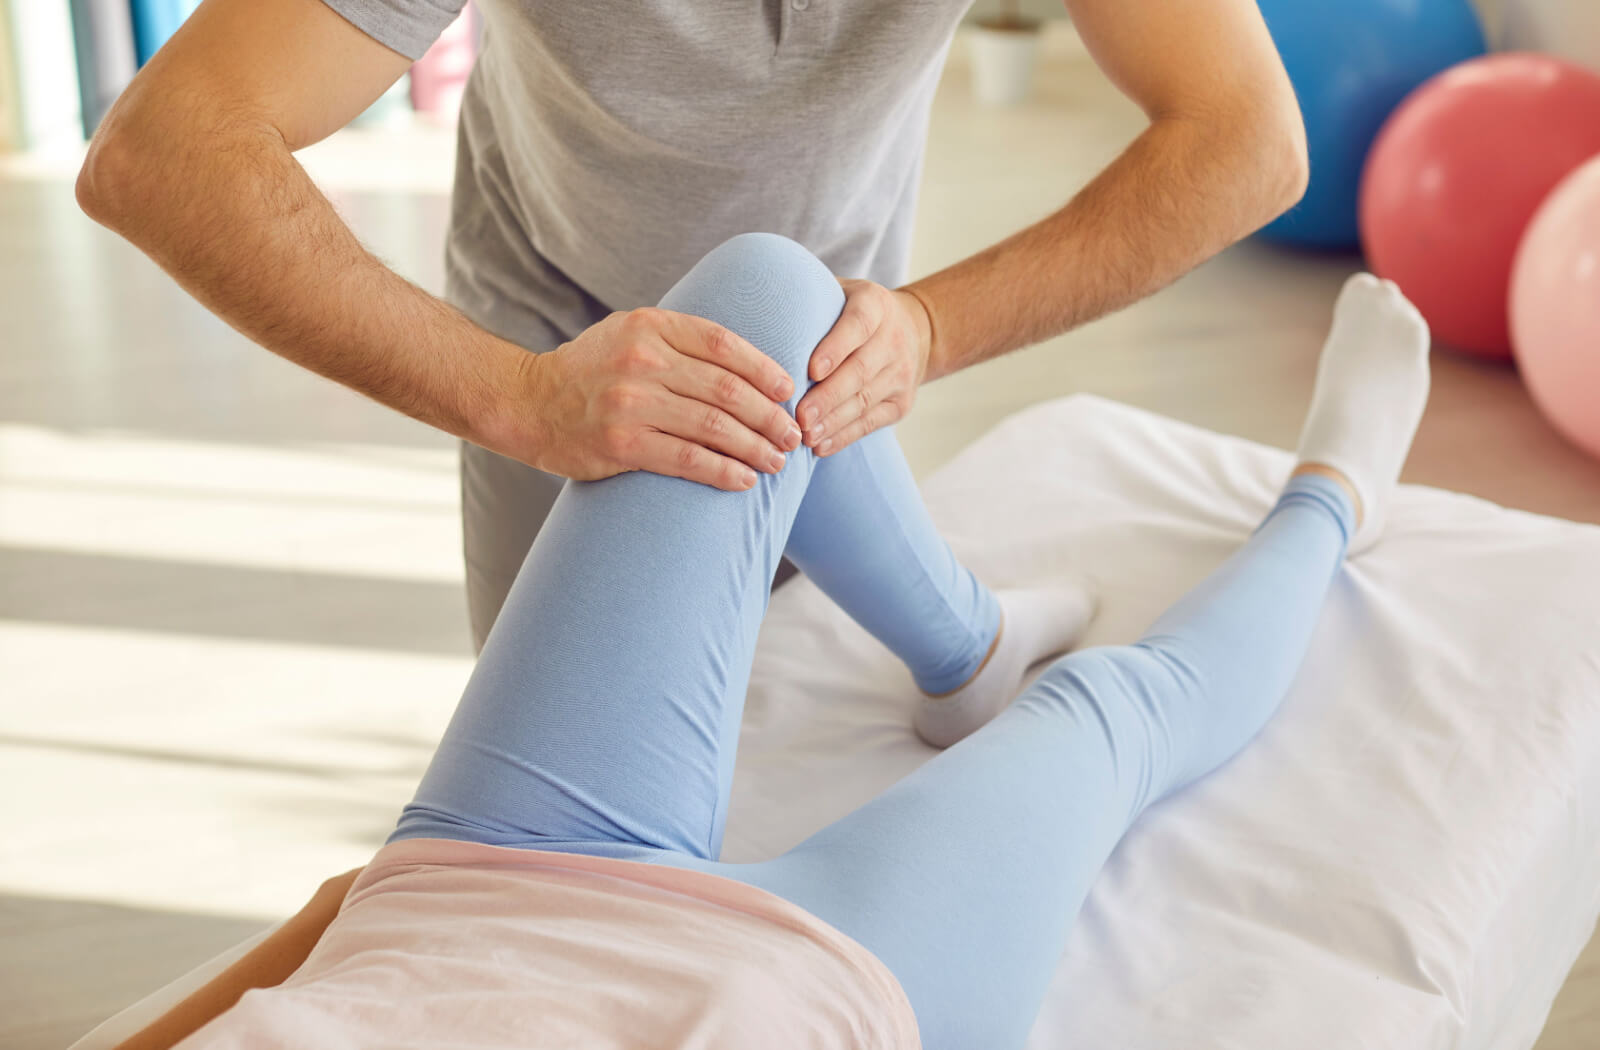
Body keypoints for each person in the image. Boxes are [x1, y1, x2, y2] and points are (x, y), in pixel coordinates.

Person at [109, 235, 1430, 1050]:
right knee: (1102, 715)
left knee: (761, 307)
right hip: (794, 986)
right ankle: (1335, 493)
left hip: (464, 897)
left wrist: (344, 919)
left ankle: (962, 647)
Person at [74, 0, 1310, 649]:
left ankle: (970, 647)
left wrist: (932, 329)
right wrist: (518, 396)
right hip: (550, 313)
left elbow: (1245, 138)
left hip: (830, 333)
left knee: (808, 695)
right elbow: (163, 151)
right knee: (566, 804)